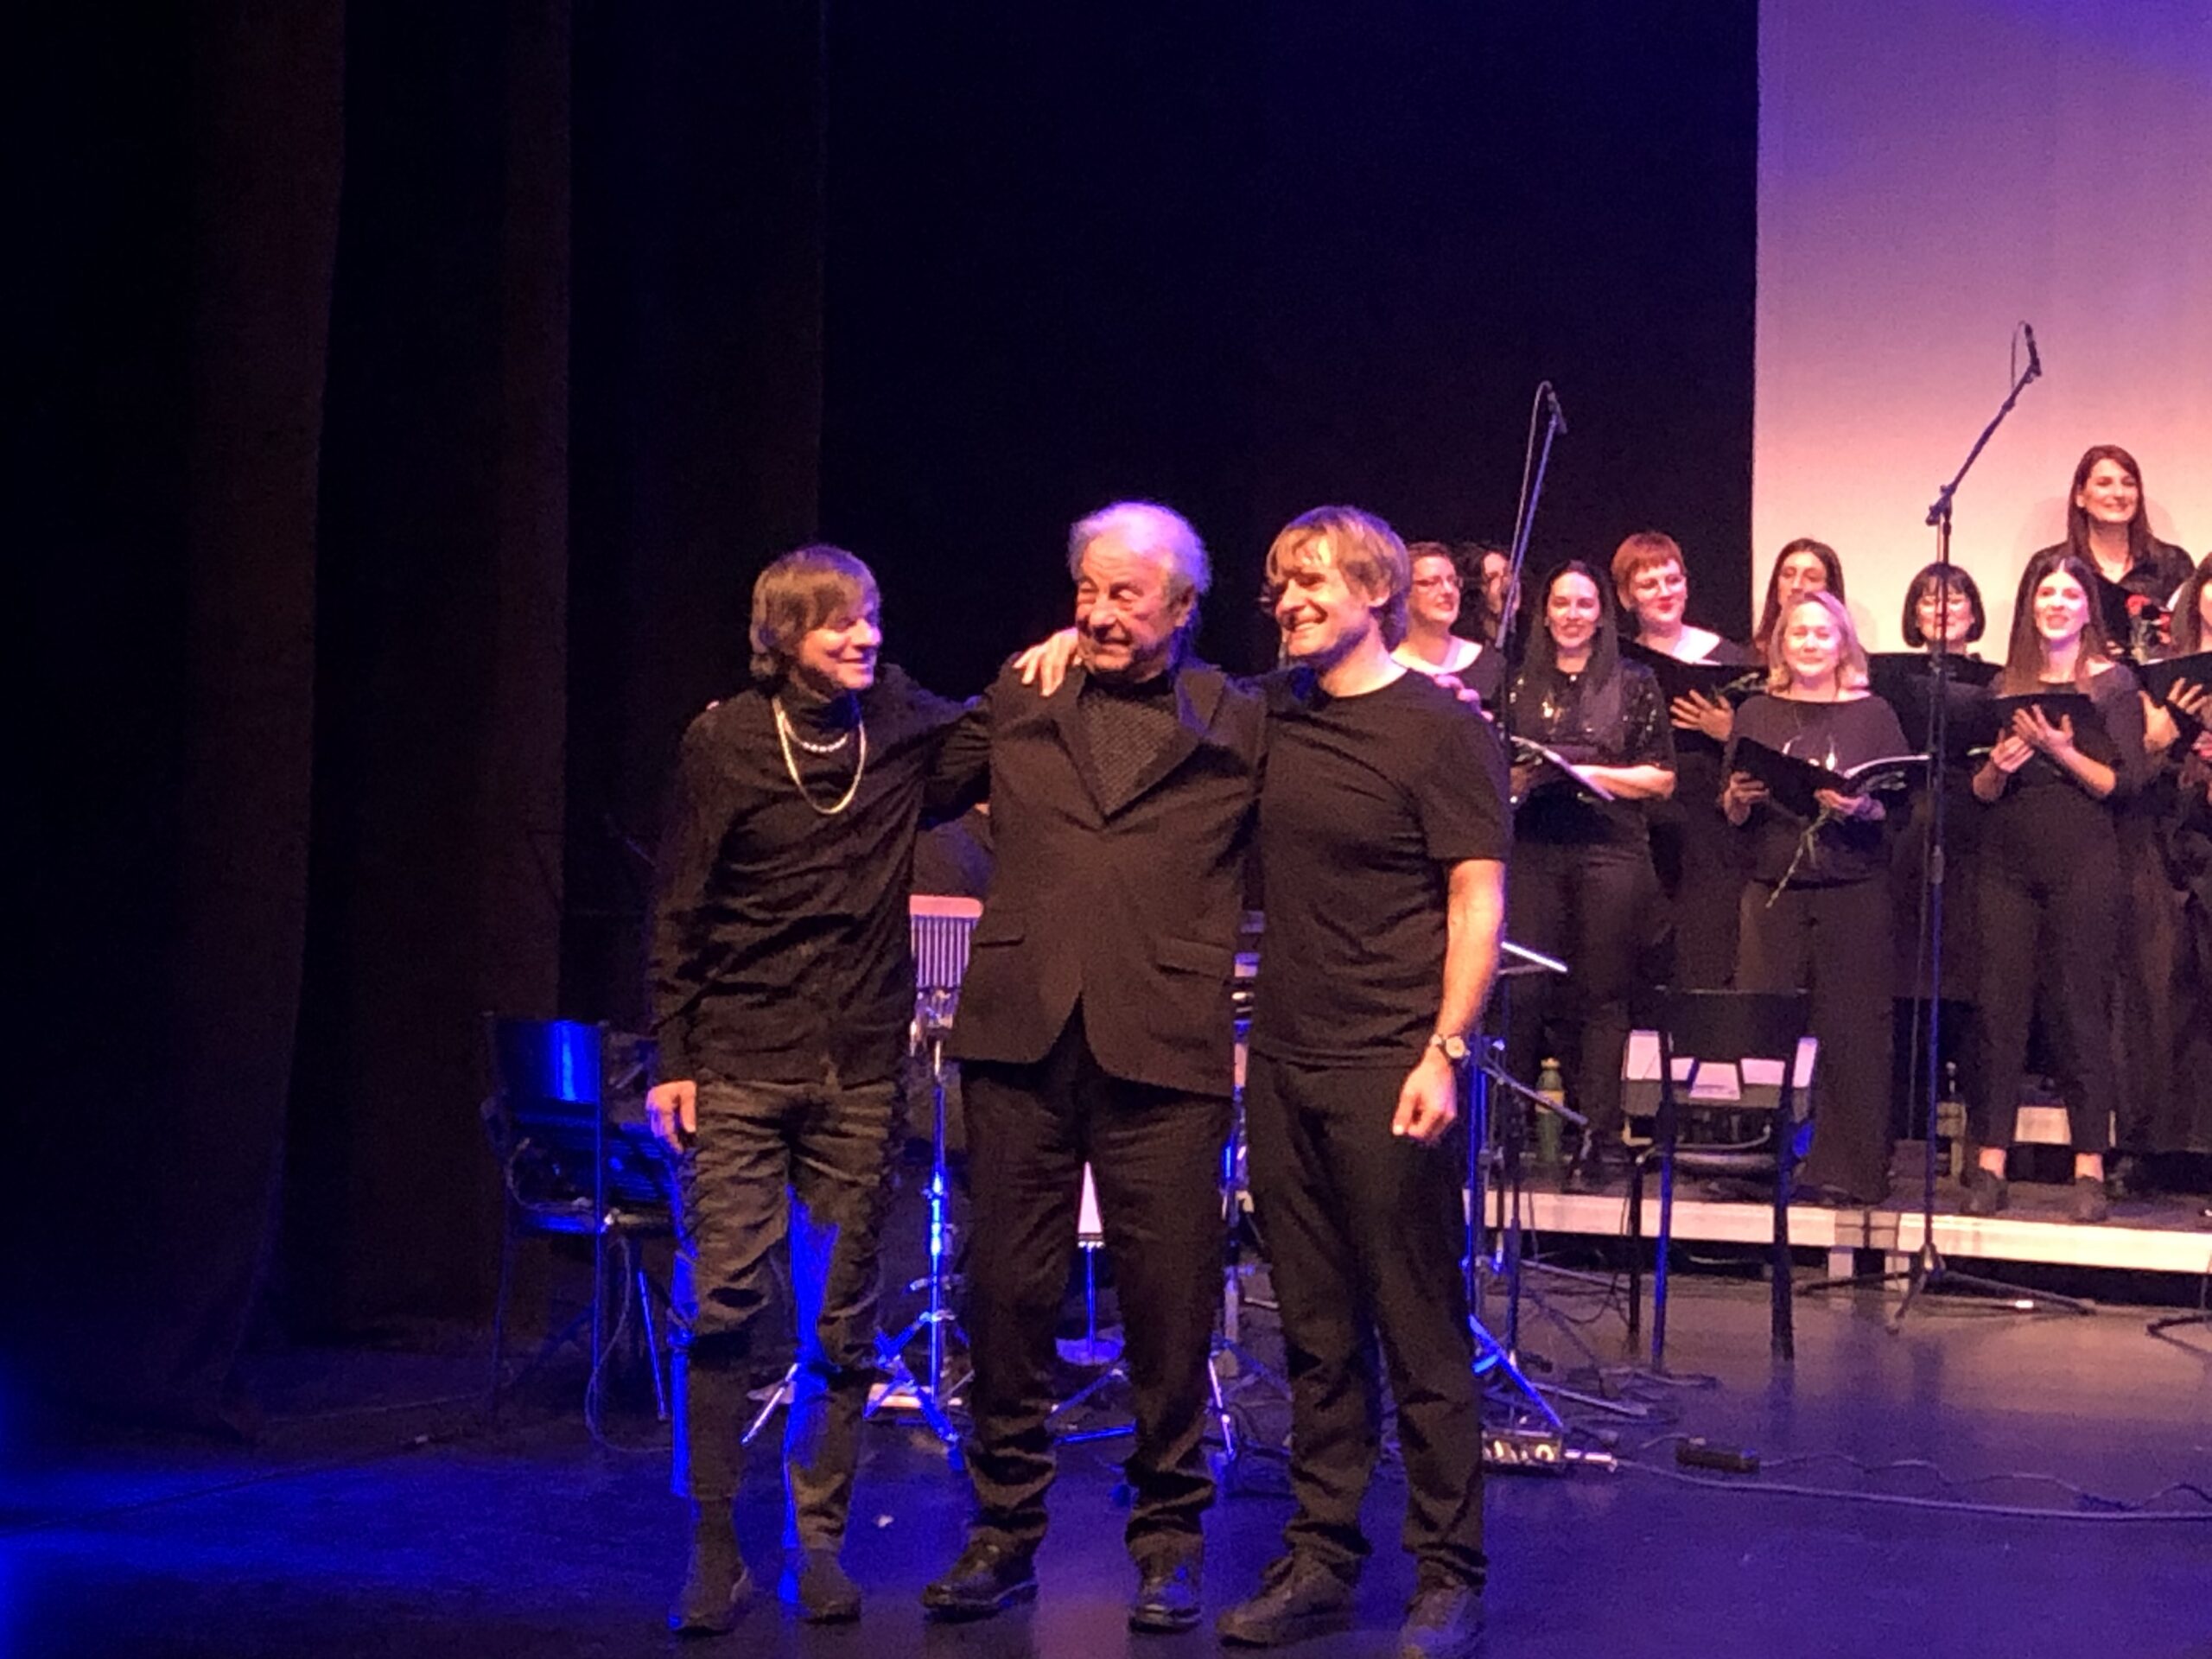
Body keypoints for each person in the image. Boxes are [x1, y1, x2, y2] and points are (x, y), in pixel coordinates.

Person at [918, 501, 1266, 1633]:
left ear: (1184, 606)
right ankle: (1001, 1531)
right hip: (1020, 1031)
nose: (1100, 612)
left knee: (1168, 1304)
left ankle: (1168, 1541)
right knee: (1006, 1293)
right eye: (1087, 590)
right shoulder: (1023, 693)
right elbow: (911, 769)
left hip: (1162, 1038)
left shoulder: (1239, 718)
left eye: (1126, 594)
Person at [645, 546, 964, 1633]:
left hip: (858, 1068)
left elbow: (997, 730)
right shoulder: (726, 741)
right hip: (739, 1059)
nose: (864, 636)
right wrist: (674, 1056)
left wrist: (1057, 652)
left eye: (871, 616)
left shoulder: (899, 726)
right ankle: (711, 1546)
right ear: (783, 638)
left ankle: (816, 1543)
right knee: (721, 1303)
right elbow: (679, 905)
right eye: (838, 623)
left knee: (841, 1319)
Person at [1215, 506, 1507, 1659]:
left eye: (1313, 583)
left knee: (1418, 1323)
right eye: (1280, 586)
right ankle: (1322, 1559)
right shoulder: (1269, 714)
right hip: (1285, 1060)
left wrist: (1447, 1046)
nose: (1289, 603)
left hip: (1394, 1062)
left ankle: (1448, 1573)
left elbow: (1476, 893)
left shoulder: (1441, 728)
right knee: (1315, 1327)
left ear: (1376, 591)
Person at [1966, 550, 2148, 1223]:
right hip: (2006, 862)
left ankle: (2089, 1165)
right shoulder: (2002, 686)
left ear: (2087, 608)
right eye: (2047, 593)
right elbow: (1981, 792)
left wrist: (2062, 751)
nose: (2058, 604)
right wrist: (1999, 765)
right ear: (2030, 604)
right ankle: (1990, 1161)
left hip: (2084, 860)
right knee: (1998, 1010)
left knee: (2080, 1008)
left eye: (2071, 594)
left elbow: (2124, 783)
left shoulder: (2113, 684)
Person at [1721, 591, 1909, 1205]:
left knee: (1853, 1032)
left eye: (1822, 634)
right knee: (1761, 1024)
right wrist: (1738, 800)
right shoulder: (1756, 711)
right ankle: (1754, 1160)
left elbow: (1898, 808)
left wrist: (1862, 807)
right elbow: (1730, 809)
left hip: (1852, 888)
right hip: (1772, 888)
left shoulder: (1874, 713)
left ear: (1843, 645)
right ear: (1781, 643)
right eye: (1798, 632)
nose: (1809, 643)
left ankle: (1849, 1171)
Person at [1503, 561, 1676, 1190]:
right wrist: (1520, 777)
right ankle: (1507, 1131)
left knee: (1601, 994)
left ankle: (1598, 1138)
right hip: (1535, 845)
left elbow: (1662, 777)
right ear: (1545, 611)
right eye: (1561, 602)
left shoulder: (1634, 681)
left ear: (1602, 614)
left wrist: (1595, 775)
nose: (1572, 614)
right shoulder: (1515, 682)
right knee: (1523, 990)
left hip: (1610, 847)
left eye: (1584, 603)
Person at [1611, 531, 1760, 988]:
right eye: (1648, 584)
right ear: (1626, 597)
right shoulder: (1617, 662)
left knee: (1704, 943)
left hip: (1708, 820)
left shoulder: (1728, 656)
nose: (1664, 592)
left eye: (1673, 580)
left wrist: (1729, 729)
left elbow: (1763, 746)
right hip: (1642, 816)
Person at [2123, 553, 2212, 1189]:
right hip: (2163, 840)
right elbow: (2132, 769)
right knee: (2158, 995)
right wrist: (2158, 739)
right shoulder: (2160, 667)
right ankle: (2153, 1146)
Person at [2039, 443, 2193, 662]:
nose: (2119, 493)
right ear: (2080, 496)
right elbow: (2027, 646)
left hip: (2159, 682)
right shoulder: (2051, 565)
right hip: (2077, 682)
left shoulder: (2172, 562)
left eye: (2128, 484)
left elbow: (2192, 643)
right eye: (2104, 483)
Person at [1394, 541, 1505, 706]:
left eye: (1453, 581)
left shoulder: (1490, 664)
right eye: (1431, 582)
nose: (1448, 590)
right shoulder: (1387, 667)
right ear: (1404, 592)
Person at [1751, 537, 1847, 659]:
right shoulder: (1745, 658)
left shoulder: (1851, 660)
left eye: (1811, 577)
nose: (1796, 585)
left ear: (1830, 590)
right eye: (1788, 575)